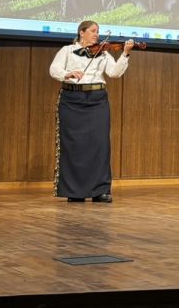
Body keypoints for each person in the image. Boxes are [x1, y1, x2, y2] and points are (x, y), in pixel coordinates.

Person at [49, 20, 135, 203]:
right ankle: (74, 191)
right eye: (93, 31)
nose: (97, 35)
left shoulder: (102, 53)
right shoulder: (67, 50)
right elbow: (54, 69)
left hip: (97, 100)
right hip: (72, 99)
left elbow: (114, 73)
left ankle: (100, 190)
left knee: (99, 144)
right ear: (82, 32)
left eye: (98, 31)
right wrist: (68, 74)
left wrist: (125, 54)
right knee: (73, 145)